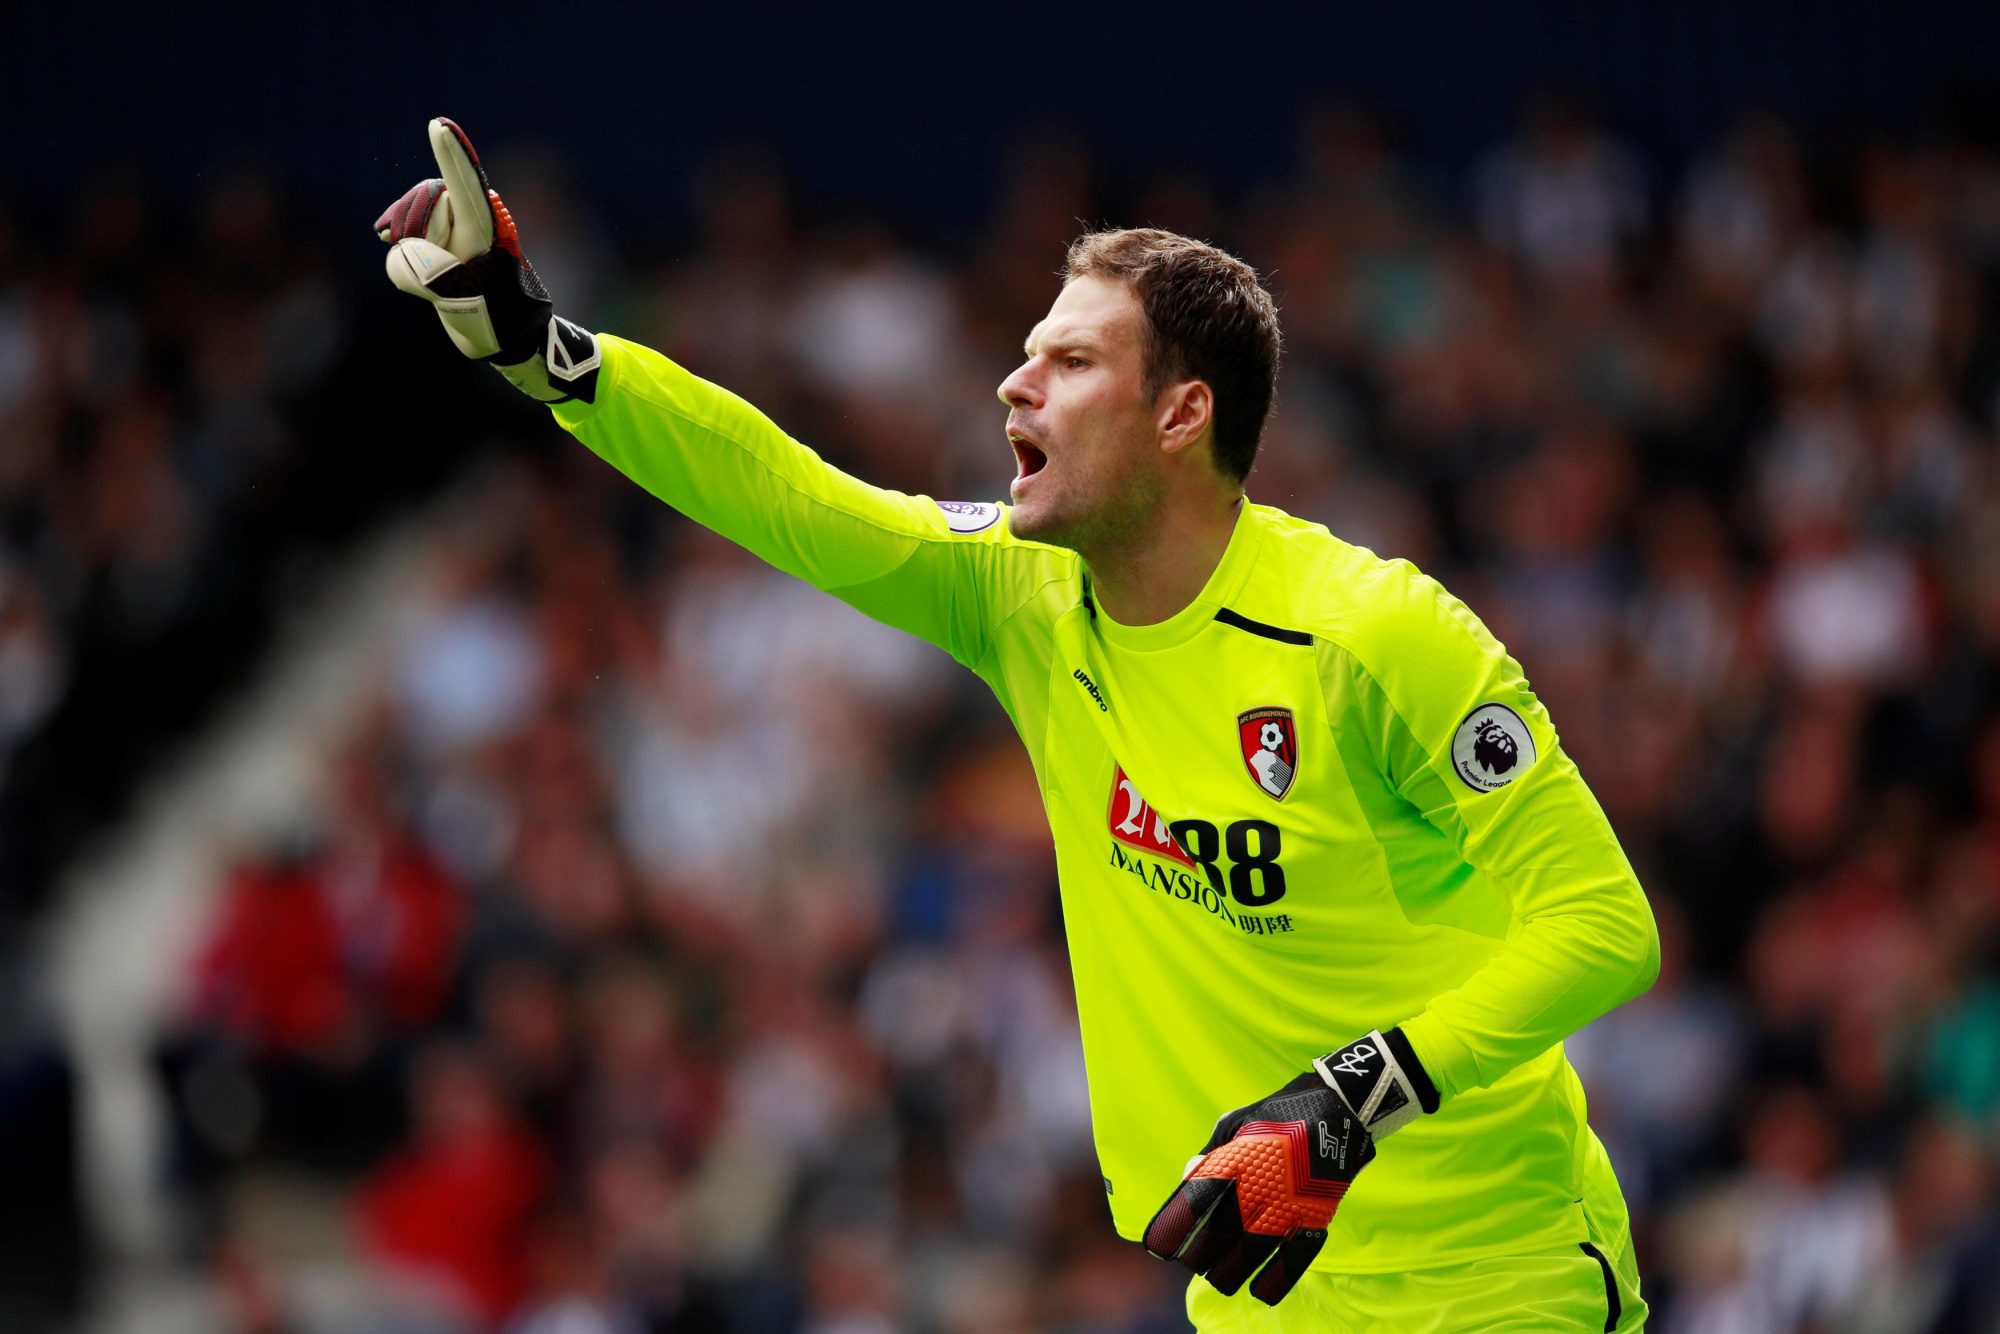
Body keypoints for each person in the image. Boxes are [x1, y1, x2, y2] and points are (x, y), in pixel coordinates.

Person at [378, 118, 1660, 1331]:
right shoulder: (1022, 595)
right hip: (1261, 1282)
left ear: (1181, 413)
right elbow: (790, 496)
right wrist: (546, 350)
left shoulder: (1373, 635)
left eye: (1071, 362)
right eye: (1027, 351)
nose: (1014, 381)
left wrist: (1346, 1100)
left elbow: (1602, 924)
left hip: (1490, 1274)